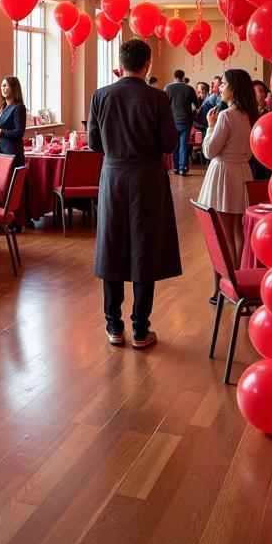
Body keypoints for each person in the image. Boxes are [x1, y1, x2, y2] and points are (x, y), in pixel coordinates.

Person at [88, 38, 179, 349]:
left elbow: (94, 145)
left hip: (112, 176)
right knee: (145, 249)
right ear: (147, 64)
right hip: (147, 180)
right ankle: (140, 329)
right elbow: (169, 145)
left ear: (120, 62)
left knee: (112, 247)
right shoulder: (157, 98)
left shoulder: (100, 96)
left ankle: (114, 326)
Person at [197, 69, 260, 266]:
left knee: (225, 233)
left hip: (224, 173)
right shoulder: (249, 115)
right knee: (238, 230)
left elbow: (209, 151)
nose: (219, 87)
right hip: (242, 171)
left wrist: (210, 126)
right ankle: (240, 274)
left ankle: (231, 279)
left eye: (223, 84)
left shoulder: (226, 115)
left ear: (233, 88)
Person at [164, 69, 199, 175]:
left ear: (174, 76)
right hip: (185, 121)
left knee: (175, 145)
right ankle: (182, 168)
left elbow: (164, 105)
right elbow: (197, 105)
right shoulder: (189, 88)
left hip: (172, 121)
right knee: (183, 144)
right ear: (183, 77)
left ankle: (175, 168)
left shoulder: (167, 88)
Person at [0, 76, 27, 167]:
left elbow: (19, 132)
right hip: (0, 151)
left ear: (13, 88)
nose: (3, 88)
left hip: (12, 152)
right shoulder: (3, 106)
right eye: (2, 86)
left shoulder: (19, 107)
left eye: (6, 86)